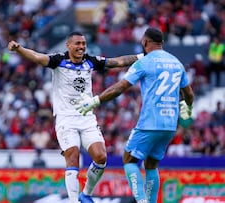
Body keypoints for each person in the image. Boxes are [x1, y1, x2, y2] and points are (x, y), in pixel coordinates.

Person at [8, 31, 142, 203]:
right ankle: (73, 201)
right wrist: (19, 49)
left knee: (101, 157)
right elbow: (37, 57)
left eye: (83, 44)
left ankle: (86, 194)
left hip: (87, 118)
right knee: (73, 156)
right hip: (66, 118)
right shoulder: (58, 60)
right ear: (68, 45)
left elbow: (118, 62)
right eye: (77, 43)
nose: (81, 47)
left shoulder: (90, 61)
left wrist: (141, 56)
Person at [75, 27, 195, 203]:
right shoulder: (176, 63)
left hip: (149, 122)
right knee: (151, 164)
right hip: (170, 124)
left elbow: (120, 87)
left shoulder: (144, 62)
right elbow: (189, 95)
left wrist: (95, 101)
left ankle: (141, 200)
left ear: (145, 42)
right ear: (161, 43)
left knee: (129, 160)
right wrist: (187, 108)